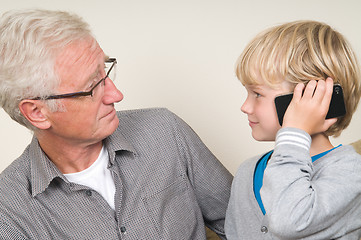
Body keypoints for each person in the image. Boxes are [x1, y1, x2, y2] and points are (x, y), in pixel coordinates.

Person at [0, 9, 232, 239]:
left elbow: (244, 222)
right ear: (37, 112)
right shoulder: (8, 210)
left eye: (106, 70)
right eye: (93, 86)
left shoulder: (164, 130)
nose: (116, 95)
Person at [225, 20, 361, 239]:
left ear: (315, 96)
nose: (245, 106)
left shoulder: (351, 172)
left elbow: (289, 221)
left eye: (257, 94)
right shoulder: (247, 171)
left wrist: (295, 131)